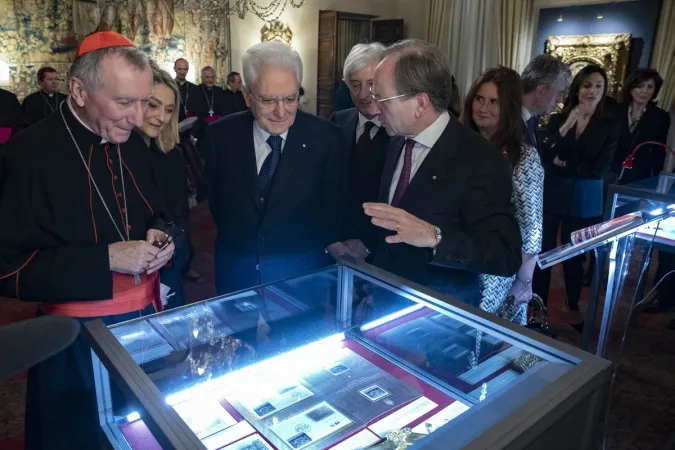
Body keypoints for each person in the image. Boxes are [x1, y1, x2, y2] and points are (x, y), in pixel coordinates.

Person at [0, 31, 175, 450]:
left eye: (144, 102)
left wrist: (161, 234)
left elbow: (157, 210)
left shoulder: (130, 141)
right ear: (78, 90)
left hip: (145, 324)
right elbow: (7, 267)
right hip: (75, 338)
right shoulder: (26, 155)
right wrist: (105, 259)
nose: (137, 119)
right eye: (124, 103)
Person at [362, 39, 522, 306]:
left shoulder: (480, 159)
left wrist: (434, 237)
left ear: (420, 103)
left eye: (382, 99)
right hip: (385, 300)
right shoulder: (395, 140)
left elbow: (505, 254)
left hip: (438, 316)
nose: (374, 109)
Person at [204, 41, 348, 295]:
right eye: (269, 100)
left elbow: (333, 209)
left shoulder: (327, 138)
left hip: (302, 278)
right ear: (248, 96)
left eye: (291, 98)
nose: (281, 111)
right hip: (237, 271)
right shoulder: (220, 135)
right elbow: (218, 205)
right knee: (238, 336)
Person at [533, 65, 618, 331]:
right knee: (543, 254)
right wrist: (569, 123)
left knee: (574, 256)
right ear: (577, 88)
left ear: (604, 91)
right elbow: (544, 155)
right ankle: (539, 308)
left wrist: (562, 163)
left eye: (598, 86)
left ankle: (572, 306)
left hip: (584, 198)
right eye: (587, 85)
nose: (592, 91)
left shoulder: (610, 125)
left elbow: (598, 169)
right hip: (553, 194)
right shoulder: (560, 119)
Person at [460, 67, 544, 324]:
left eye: (494, 101)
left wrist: (524, 281)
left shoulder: (523, 156)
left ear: (508, 106)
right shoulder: (459, 145)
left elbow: (531, 229)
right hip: (457, 259)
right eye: (479, 98)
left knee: (488, 345)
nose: (483, 107)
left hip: (496, 270)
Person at [135, 63, 190, 309]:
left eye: (169, 110)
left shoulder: (172, 154)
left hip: (165, 261)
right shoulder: (110, 154)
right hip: (125, 267)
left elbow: (179, 216)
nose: (161, 117)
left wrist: (171, 249)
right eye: (153, 105)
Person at [329, 42, 389, 256]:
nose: (364, 94)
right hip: (335, 247)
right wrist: (330, 239)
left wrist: (367, 245)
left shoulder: (400, 132)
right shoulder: (337, 121)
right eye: (355, 85)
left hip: (382, 251)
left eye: (371, 84)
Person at [611, 68, 670, 184]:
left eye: (650, 87)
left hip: (639, 177)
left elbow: (659, 153)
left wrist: (654, 181)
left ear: (655, 90)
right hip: (610, 173)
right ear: (631, 88)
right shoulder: (614, 111)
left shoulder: (661, 117)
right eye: (640, 86)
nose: (644, 91)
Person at [520, 54, 572, 155]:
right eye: (559, 93)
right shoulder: (508, 122)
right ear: (541, 90)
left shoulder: (531, 119)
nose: (560, 101)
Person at [174, 57, 198, 122]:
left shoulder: (195, 88)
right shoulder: (169, 86)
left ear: (188, 70)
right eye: (179, 69)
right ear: (174, 69)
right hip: (174, 122)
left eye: (184, 69)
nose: (182, 72)